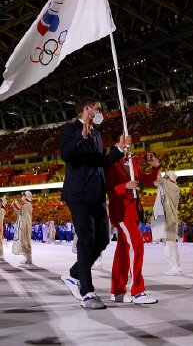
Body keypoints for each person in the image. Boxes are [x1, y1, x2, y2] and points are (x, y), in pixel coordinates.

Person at [59, 98, 128, 309]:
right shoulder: (70, 129)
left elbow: (102, 162)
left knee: (102, 240)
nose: (101, 113)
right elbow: (66, 155)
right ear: (87, 109)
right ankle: (87, 292)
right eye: (98, 109)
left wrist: (118, 149)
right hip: (78, 194)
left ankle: (74, 273)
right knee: (86, 240)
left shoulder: (97, 135)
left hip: (97, 194)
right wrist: (81, 137)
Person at [105, 152, 160, 304]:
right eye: (124, 139)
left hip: (133, 211)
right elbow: (108, 189)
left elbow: (147, 179)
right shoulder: (111, 163)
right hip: (122, 213)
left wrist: (155, 167)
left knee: (123, 251)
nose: (128, 142)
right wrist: (125, 186)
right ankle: (137, 291)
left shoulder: (131, 162)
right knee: (137, 245)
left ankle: (118, 291)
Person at [154, 171, 183, 275]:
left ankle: (177, 268)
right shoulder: (166, 186)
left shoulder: (171, 186)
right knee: (166, 244)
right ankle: (173, 267)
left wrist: (155, 166)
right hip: (166, 218)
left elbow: (157, 179)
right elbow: (155, 181)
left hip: (169, 218)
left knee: (170, 243)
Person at [12, 191, 33, 265]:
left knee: (26, 241)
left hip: (26, 225)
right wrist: (14, 206)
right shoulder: (26, 205)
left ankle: (28, 258)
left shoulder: (28, 205)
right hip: (24, 225)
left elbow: (21, 210)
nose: (22, 197)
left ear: (26, 197)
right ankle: (27, 258)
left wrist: (17, 204)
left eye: (23, 195)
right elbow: (20, 213)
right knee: (24, 241)